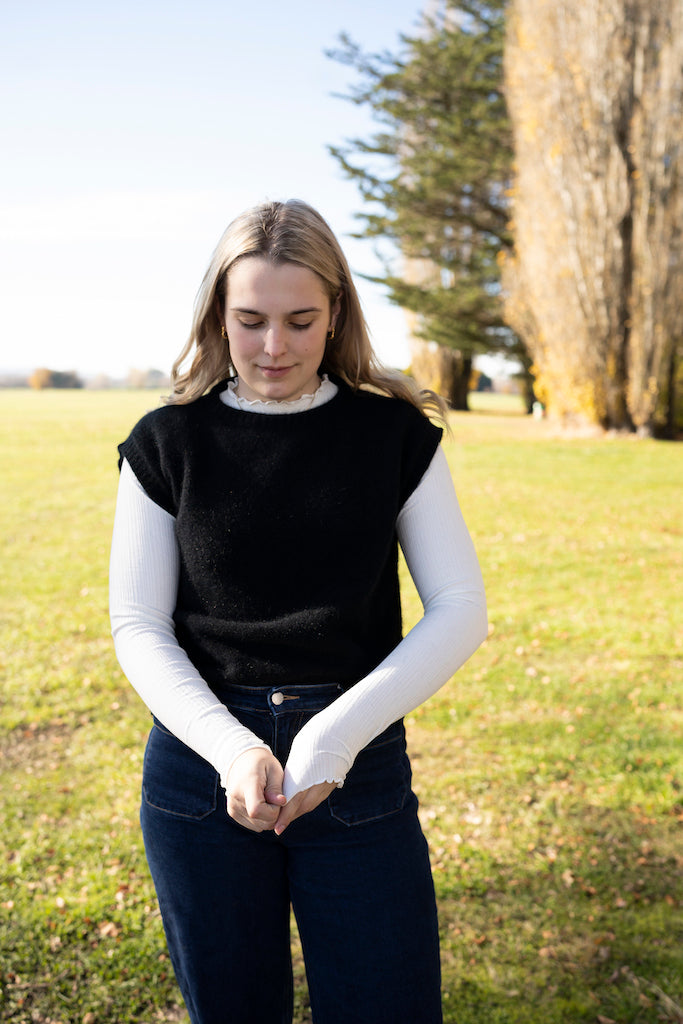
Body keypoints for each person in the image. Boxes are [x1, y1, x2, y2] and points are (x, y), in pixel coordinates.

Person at [109, 198, 487, 1024]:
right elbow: (136, 625)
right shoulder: (165, 443)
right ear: (217, 314)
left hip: (356, 768)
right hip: (202, 774)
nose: (272, 346)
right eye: (249, 320)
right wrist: (230, 747)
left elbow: (459, 607)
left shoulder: (392, 437)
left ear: (337, 313)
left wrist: (334, 736)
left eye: (299, 320)